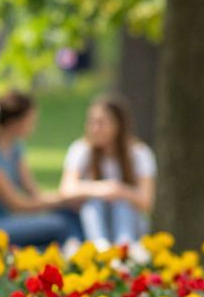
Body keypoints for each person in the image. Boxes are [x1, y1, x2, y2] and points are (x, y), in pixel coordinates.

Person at [0, 90, 82, 248]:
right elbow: (15, 204)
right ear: (15, 122)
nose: (34, 126)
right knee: (59, 226)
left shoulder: (15, 146)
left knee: (66, 215)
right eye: (31, 121)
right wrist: (63, 201)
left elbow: (33, 192)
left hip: (6, 221)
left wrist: (67, 201)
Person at [60, 95, 156, 251]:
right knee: (93, 203)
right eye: (91, 122)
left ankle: (124, 248)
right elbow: (66, 190)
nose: (94, 128)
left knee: (122, 204)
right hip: (91, 220)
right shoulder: (81, 149)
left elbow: (146, 201)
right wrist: (103, 189)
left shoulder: (139, 153)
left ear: (118, 125)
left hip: (129, 220)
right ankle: (100, 247)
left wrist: (119, 191)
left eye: (101, 123)